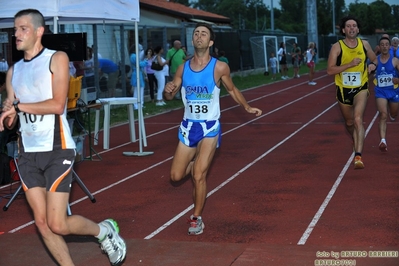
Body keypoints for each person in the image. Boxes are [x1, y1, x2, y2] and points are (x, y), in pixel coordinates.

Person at [0, 9, 126, 265]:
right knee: (42, 223)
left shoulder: (56, 59)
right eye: (15, 29)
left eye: (23, 28)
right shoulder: (13, 72)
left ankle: (104, 232)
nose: (16, 34)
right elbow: (13, 117)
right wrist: (7, 115)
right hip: (27, 153)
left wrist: (19, 106)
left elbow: (58, 104)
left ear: (39, 31)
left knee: (58, 223)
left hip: (57, 148)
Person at [163, 22, 262, 235]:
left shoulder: (219, 67)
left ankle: (196, 217)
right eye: (196, 33)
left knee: (199, 175)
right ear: (192, 40)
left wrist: (247, 106)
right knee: (176, 176)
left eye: (203, 34)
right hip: (189, 126)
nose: (199, 36)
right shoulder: (183, 68)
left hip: (210, 127)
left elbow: (232, 90)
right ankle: (196, 162)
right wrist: (168, 90)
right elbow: (170, 96)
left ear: (210, 42)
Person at [327, 15, 377, 169]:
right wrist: (349, 64)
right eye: (348, 26)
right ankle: (355, 138)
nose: (352, 28)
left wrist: (372, 66)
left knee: (357, 119)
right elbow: (330, 70)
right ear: (343, 30)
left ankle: (358, 156)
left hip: (361, 87)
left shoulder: (365, 45)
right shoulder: (337, 47)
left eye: (354, 25)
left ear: (358, 29)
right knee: (349, 123)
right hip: (343, 90)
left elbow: (375, 59)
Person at [373, 36, 399, 152]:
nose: (384, 46)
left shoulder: (395, 61)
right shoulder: (375, 60)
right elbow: (369, 73)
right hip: (381, 91)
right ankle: (383, 140)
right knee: (383, 114)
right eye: (382, 44)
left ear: (389, 47)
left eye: (386, 44)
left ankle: (393, 115)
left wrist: (398, 80)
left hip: (393, 91)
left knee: (393, 114)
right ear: (380, 46)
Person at [129, 45, 147, 109]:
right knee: (137, 89)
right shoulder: (133, 56)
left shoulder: (134, 56)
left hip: (139, 73)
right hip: (136, 73)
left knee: (141, 88)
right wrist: (146, 60)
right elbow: (140, 64)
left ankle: (140, 104)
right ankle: (136, 104)